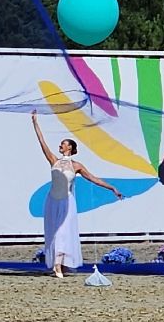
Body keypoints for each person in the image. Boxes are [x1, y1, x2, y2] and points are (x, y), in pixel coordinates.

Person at [32, 111, 123, 278]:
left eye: (63, 144)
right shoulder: (54, 160)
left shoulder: (77, 166)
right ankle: (58, 264)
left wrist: (112, 188)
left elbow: (93, 178)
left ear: (70, 148)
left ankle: (59, 266)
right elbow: (42, 142)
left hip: (66, 202)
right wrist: (35, 123)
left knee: (63, 233)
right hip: (52, 201)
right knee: (53, 233)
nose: (60, 146)